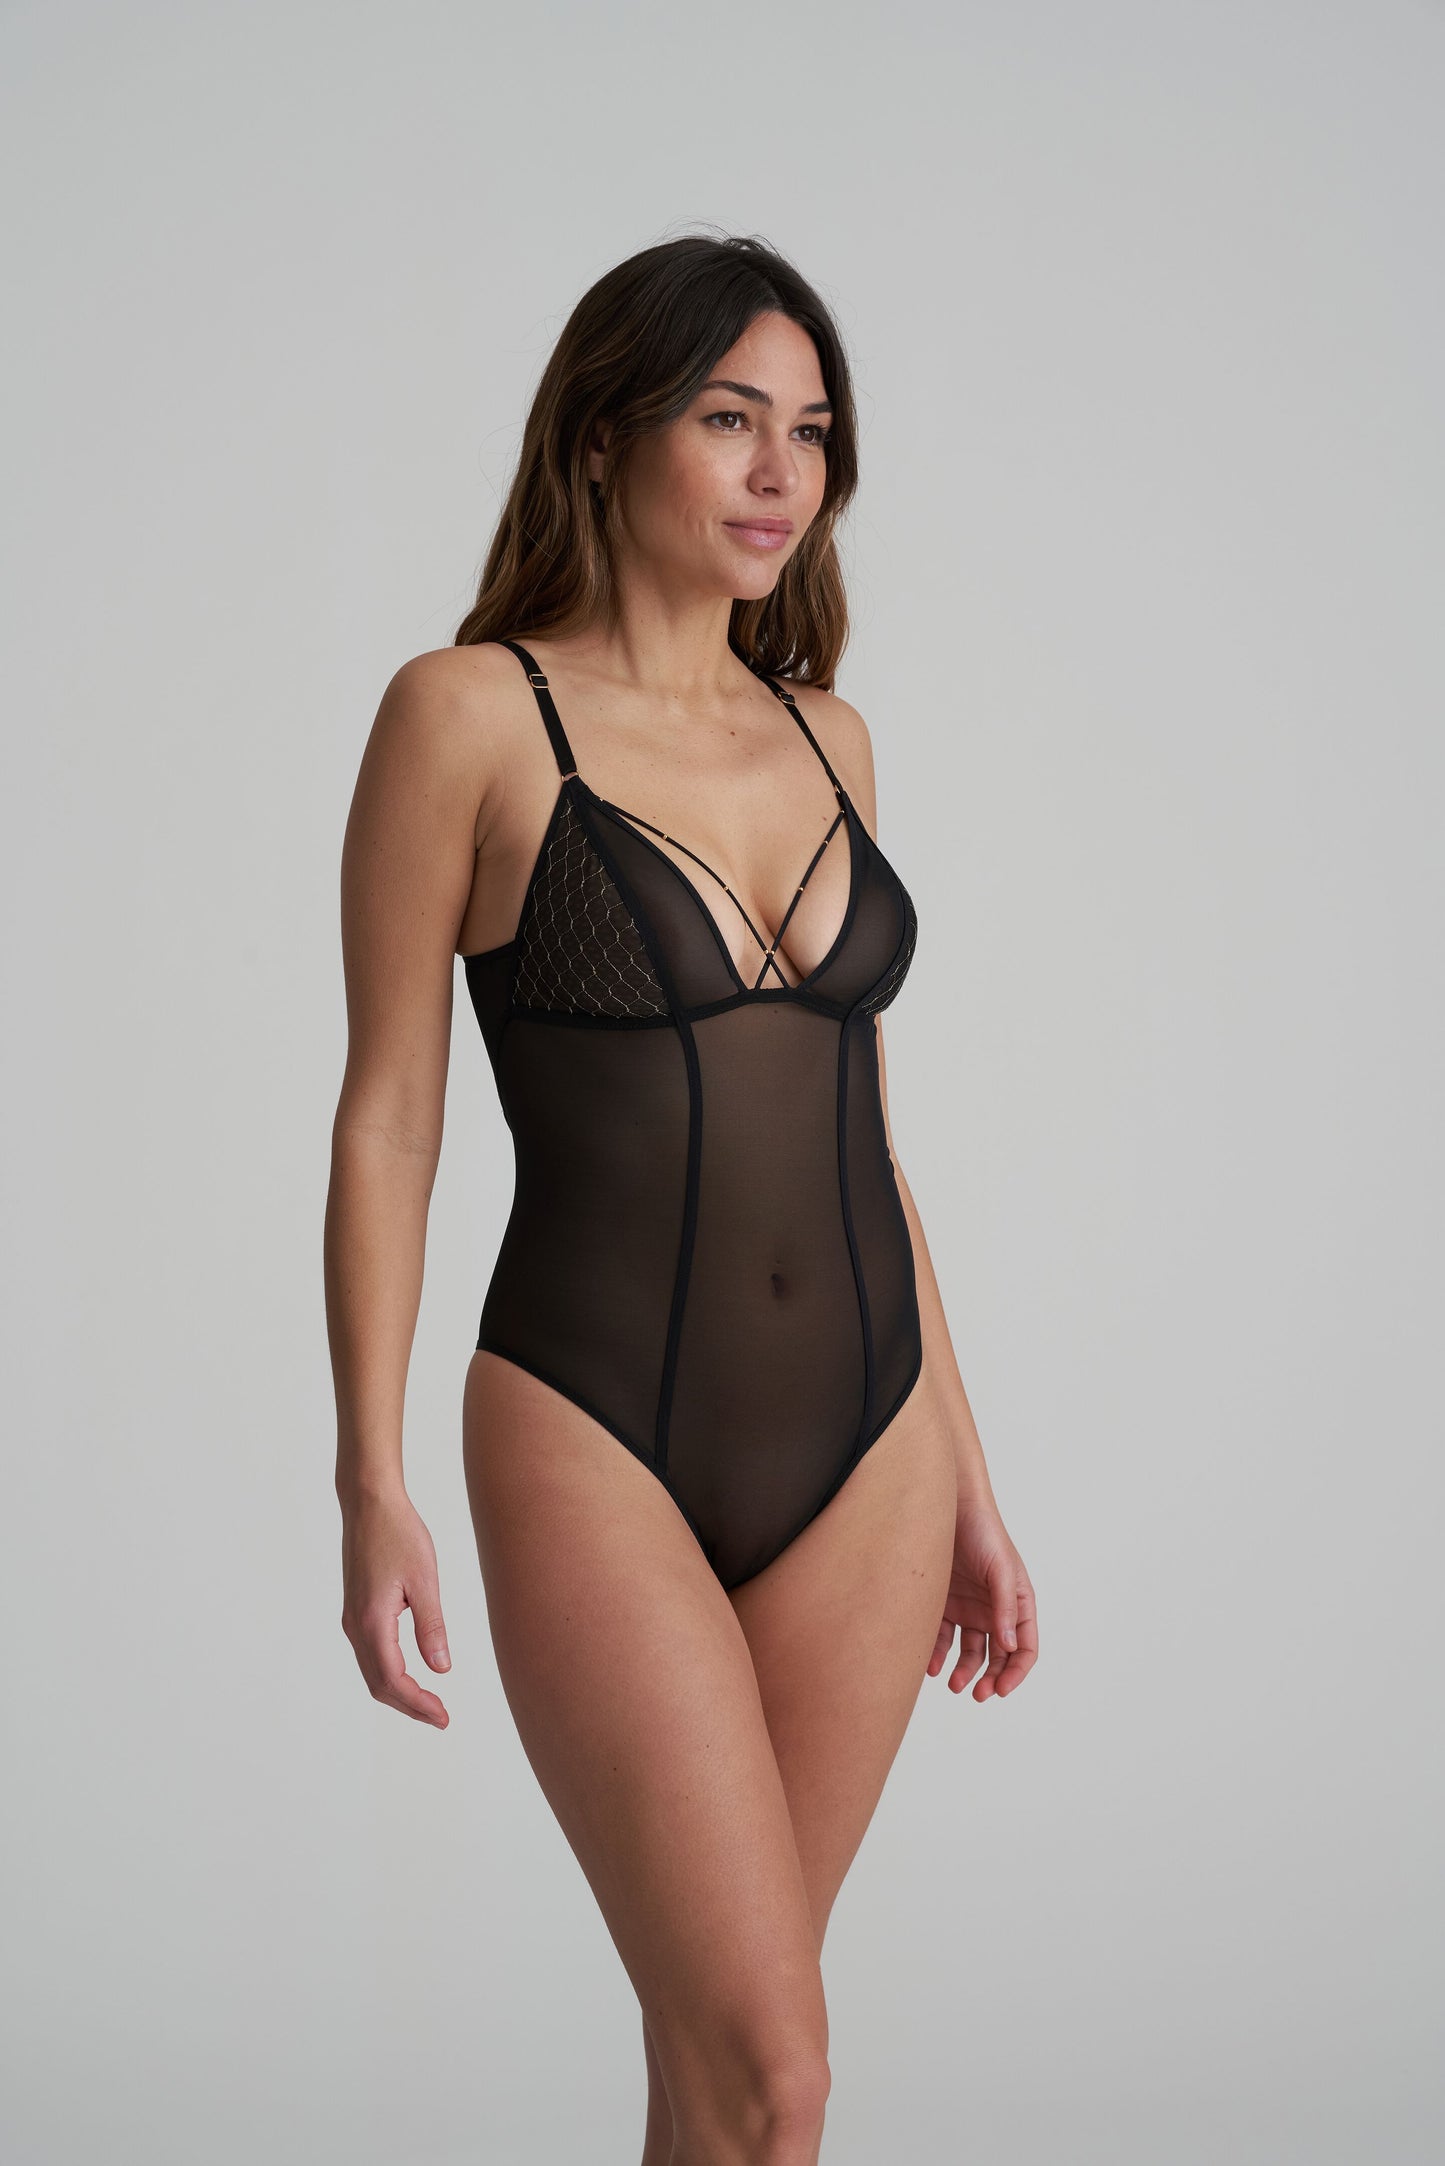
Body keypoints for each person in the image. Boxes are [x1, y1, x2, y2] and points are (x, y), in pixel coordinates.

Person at [325, 230, 1038, 2166]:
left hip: (872, 1438)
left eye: (811, 430)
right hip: (594, 1420)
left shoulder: (830, 733)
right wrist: (369, 1476)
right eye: (730, 418)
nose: (779, 471)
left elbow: (860, 1131)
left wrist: (968, 1478)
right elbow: (390, 1118)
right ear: (600, 432)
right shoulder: (467, 715)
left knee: (729, 2086)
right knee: (771, 2069)